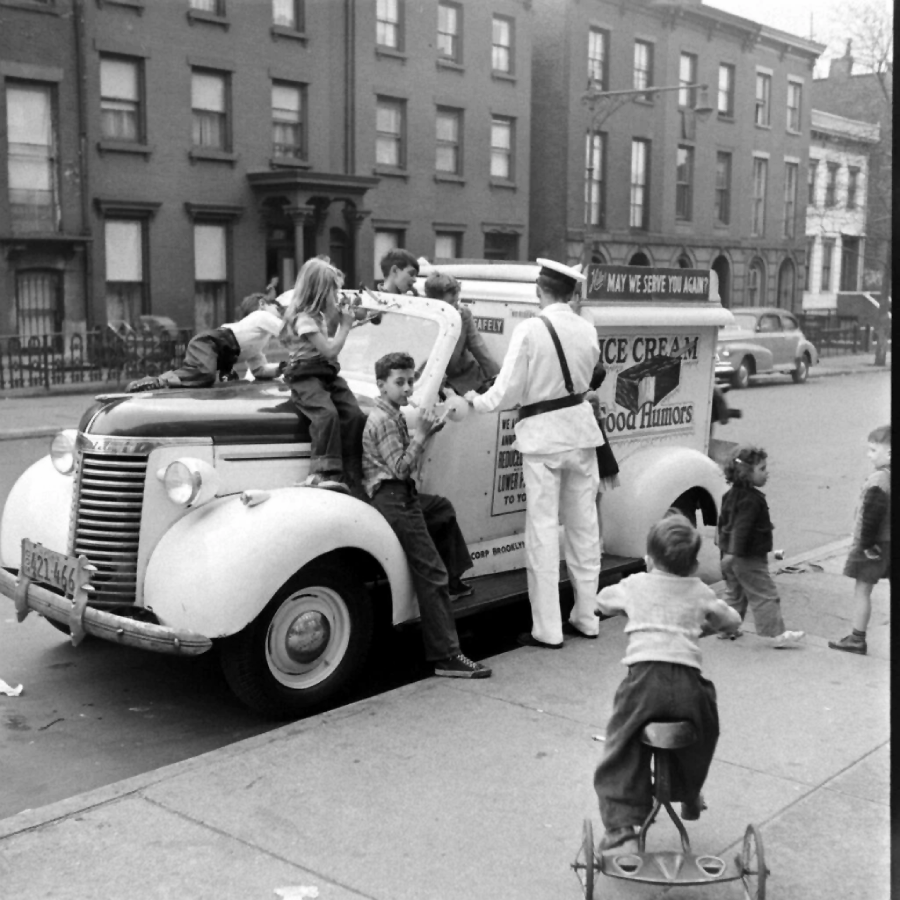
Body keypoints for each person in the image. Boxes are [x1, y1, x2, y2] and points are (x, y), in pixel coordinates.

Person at [464, 258, 606, 648]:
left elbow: (507, 390)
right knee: (584, 529)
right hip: (580, 434)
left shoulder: (530, 328)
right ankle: (586, 616)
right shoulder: (587, 329)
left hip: (542, 439)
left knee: (543, 532)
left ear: (538, 290)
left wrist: (476, 401)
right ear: (572, 293)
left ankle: (548, 628)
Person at [592, 513, 742, 855]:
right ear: (692, 565)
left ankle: (621, 823)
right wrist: (722, 625)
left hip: (643, 684)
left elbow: (601, 600)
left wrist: (617, 610)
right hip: (689, 685)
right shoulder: (699, 590)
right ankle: (689, 794)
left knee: (622, 745)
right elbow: (730, 619)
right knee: (703, 736)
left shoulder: (634, 584)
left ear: (649, 559)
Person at [362, 351, 491, 679]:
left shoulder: (389, 412)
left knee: (442, 509)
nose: (407, 389)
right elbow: (400, 468)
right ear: (381, 385)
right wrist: (421, 435)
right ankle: (447, 655)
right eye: (399, 382)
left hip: (400, 496)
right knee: (431, 573)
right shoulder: (385, 420)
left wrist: (425, 433)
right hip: (395, 499)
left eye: (410, 381)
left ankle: (455, 580)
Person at [281, 257, 364, 493]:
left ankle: (350, 469)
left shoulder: (317, 317)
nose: (336, 296)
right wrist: (346, 326)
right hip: (305, 375)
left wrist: (343, 319)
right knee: (326, 414)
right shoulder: (304, 319)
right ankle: (322, 472)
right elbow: (330, 350)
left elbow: (329, 346)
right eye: (333, 291)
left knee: (354, 414)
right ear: (319, 291)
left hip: (326, 373)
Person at [717, 445, 806, 648]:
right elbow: (742, 529)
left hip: (730, 555)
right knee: (765, 594)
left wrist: (725, 551)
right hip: (747, 557)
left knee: (735, 593)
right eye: (762, 469)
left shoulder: (729, 496)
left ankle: (726, 628)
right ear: (747, 473)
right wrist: (733, 554)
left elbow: (724, 526)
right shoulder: (752, 501)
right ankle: (776, 634)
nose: (767, 473)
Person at [126, 285, 286, 392]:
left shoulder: (258, 343)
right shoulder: (261, 316)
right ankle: (157, 381)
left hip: (214, 347)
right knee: (204, 374)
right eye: (277, 307)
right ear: (262, 304)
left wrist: (280, 368)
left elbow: (259, 370)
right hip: (209, 342)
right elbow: (285, 331)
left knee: (203, 377)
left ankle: (163, 384)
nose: (280, 312)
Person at [829, 424, 891, 655]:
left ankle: (857, 638)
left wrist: (865, 545)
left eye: (873, 450)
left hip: (875, 545)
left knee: (862, 591)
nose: (869, 455)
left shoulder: (879, 480)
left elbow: (872, 516)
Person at [421, 271, 500, 394]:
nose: (456, 307)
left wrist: (498, 380)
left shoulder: (463, 315)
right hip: (436, 383)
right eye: (451, 303)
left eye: (457, 301)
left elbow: (479, 348)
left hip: (466, 379)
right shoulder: (423, 320)